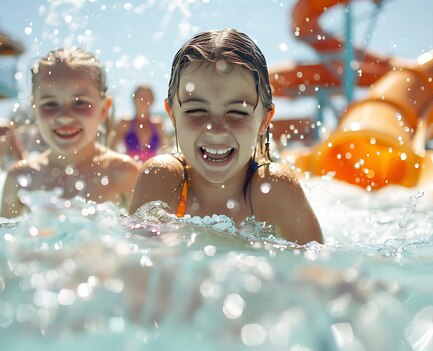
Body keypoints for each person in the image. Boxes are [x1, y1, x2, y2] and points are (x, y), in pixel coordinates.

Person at [129, 29, 323, 245]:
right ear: (172, 115)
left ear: (264, 121)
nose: (216, 129)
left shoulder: (273, 188)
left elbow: (319, 274)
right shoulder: (160, 178)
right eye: (196, 110)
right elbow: (136, 269)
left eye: (238, 112)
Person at [0, 47, 141, 218]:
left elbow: (149, 240)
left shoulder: (123, 173)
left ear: (104, 109)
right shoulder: (20, 177)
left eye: (80, 102)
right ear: (34, 109)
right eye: (50, 103)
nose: (65, 116)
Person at [108, 84, 168, 162]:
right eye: (141, 96)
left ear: (152, 100)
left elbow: (165, 150)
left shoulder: (158, 124)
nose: (144, 100)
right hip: (129, 171)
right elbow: (111, 148)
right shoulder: (125, 123)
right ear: (134, 99)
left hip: (152, 170)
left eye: (148, 97)